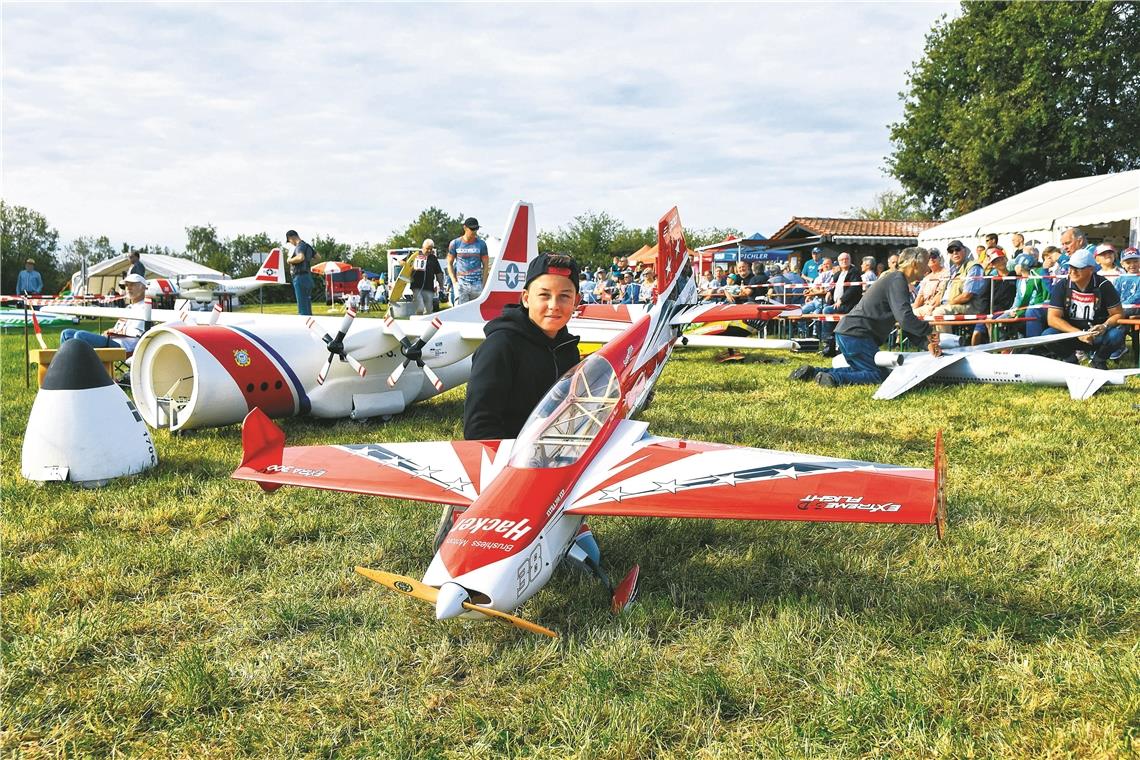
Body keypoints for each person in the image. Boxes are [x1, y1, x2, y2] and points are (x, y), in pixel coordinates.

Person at [464, 253, 582, 440]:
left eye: (564, 297)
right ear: (526, 299)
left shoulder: (568, 348)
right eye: (544, 295)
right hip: (512, 460)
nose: (554, 305)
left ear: (576, 301)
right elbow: (479, 427)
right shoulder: (500, 346)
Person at [790, 247, 940, 387]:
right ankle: (835, 379)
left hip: (850, 333)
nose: (928, 268)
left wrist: (925, 344)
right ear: (915, 264)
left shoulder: (895, 279)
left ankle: (814, 373)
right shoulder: (897, 280)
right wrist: (928, 331)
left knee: (863, 371)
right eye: (926, 263)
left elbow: (903, 321)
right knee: (877, 375)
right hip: (857, 335)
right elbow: (905, 318)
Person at [1043, 248, 1125, 369]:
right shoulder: (1062, 285)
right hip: (1070, 334)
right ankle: (1070, 360)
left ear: (1091, 269)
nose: (1072, 271)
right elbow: (1052, 318)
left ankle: (1098, 360)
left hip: (1096, 336)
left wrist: (1104, 326)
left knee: (1117, 335)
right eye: (1071, 267)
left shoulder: (1104, 285)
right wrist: (1078, 333)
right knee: (1047, 335)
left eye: (1078, 268)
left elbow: (1118, 314)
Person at [60, 273, 149, 352]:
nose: (128, 288)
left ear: (143, 288)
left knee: (80, 336)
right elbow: (120, 328)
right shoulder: (129, 307)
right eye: (126, 285)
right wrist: (112, 331)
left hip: (123, 345)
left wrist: (112, 331)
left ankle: (79, 368)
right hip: (112, 339)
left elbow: (137, 333)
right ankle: (64, 365)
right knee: (66, 333)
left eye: (132, 285)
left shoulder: (145, 307)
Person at [931, 239, 985, 332]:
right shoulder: (951, 270)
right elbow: (942, 292)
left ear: (964, 250)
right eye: (951, 251)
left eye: (957, 249)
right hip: (948, 305)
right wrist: (932, 304)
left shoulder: (974, 267)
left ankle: (948, 344)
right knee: (919, 311)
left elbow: (967, 296)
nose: (954, 253)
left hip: (968, 306)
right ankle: (930, 344)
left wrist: (945, 305)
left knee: (938, 313)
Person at [819, 252, 862, 354]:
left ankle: (828, 341)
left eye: (846, 259)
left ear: (850, 260)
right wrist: (829, 292)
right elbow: (833, 286)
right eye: (841, 260)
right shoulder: (838, 274)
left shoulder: (854, 273)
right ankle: (830, 344)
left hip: (848, 305)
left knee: (827, 310)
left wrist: (841, 300)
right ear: (838, 262)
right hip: (835, 303)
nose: (844, 261)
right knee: (821, 311)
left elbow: (853, 289)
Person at [1003, 249, 1052, 338]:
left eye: (1016, 265)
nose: (1014, 267)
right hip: (1020, 310)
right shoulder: (1020, 281)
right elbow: (1017, 299)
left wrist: (1018, 311)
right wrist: (1013, 310)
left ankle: (1027, 346)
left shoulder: (1036, 275)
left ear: (1020, 266)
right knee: (997, 319)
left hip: (1032, 309)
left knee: (1020, 319)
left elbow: (1041, 297)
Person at [971, 247, 1015, 345]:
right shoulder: (990, 279)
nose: (1000, 262)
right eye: (996, 261)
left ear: (1005, 259)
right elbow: (983, 298)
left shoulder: (1015, 275)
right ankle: (975, 353)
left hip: (1006, 311)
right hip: (990, 312)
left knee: (992, 324)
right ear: (993, 265)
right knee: (976, 334)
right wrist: (985, 315)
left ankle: (995, 349)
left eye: (1001, 259)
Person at [447, 217, 489, 305]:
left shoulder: (481, 244)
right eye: (472, 229)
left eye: (476, 229)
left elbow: (486, 265)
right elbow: (449, 263)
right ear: (465, 228)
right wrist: (454, 282)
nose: (474, 231)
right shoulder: (455, 243)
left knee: (476, 313)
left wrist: (484, 284)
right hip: (461, 284)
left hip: (477, 285)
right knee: (460, 313)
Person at [409, 238, 447, 315]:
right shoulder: (415, 255)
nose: (429, 251)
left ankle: (427, 323)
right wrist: (411, 266)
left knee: (429, 310)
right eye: (427, 249)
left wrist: (441, 286)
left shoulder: (433, 258)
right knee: (420, 308)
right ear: (423, 247)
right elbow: (403, 263)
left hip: (429, 288)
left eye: (431, 249)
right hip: (416, 287)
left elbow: (439, 273)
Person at [285, 230, 316, 316]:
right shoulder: (307, 246)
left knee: (302, 307)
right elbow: (318, 256)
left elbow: (300, 257)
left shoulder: (299, 246)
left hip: (300, 277)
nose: (291, 243)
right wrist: (308, 261)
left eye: (289, 241)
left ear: (291, 237)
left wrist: (289, 260)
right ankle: (310, 326)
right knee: (307, 305)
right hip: (308, 278)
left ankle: (304, 327)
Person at [912, 250, 950, 317]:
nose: (931, 259)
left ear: (939, 258)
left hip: (936, 307)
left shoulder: (945, 274)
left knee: (913, 314)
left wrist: (928, 308)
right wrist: (914, 308)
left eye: (934, 256)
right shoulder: (927, 277)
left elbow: (940, 295)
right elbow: (920, 296)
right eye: (928, 257)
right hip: (925, 306)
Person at [1115, 248, 1140, 318]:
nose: (1132, 265)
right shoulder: (1119, 279)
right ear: (1122, 264)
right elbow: (1115, 294)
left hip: (1135, 308)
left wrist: (1124, 304)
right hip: (1121, 308)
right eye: (1128, 262)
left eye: (1135, 261)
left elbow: (1138, 296)